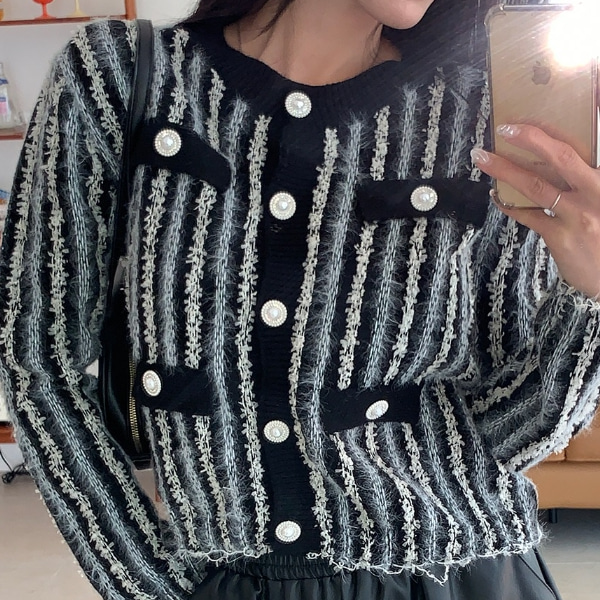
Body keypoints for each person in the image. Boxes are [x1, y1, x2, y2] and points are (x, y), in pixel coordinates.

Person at [0, 0, 598, 598]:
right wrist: (145, 582)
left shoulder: (484, 117)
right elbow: (34, 356)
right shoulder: (121, 76)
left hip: (458, 573)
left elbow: (509, 433)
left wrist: (592, 295)